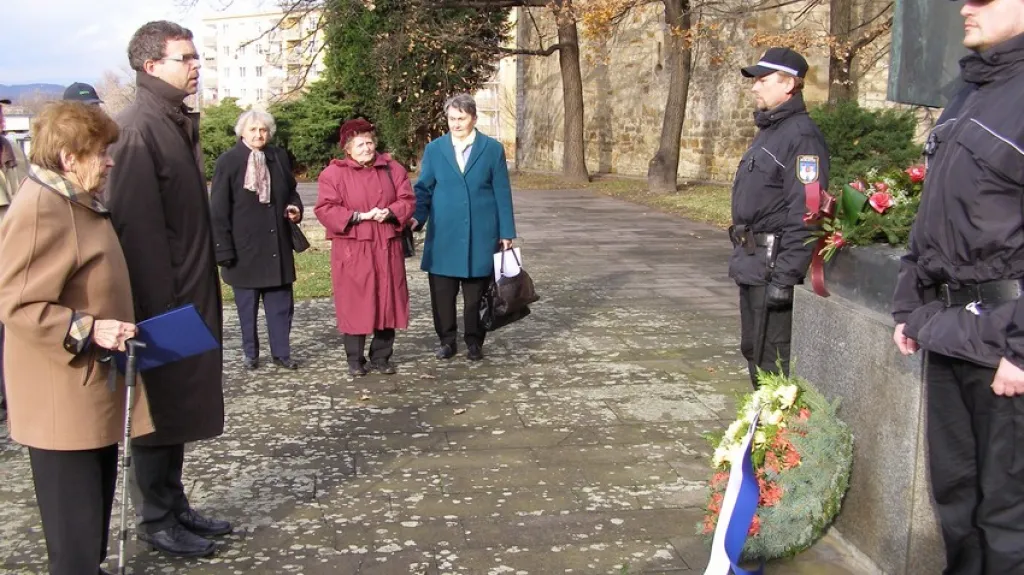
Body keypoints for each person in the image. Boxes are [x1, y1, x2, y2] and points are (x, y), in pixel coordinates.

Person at [891, 1, 1024, 572]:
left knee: (1009, 520)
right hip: (950, 333)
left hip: (1006, 346)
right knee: (956, 504)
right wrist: (909, 304)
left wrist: (1021, 350)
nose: (965, 8)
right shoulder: (970, 92)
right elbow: (934, 216)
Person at [0, 101, 155, 575]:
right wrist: (90, 328)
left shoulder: (72, 198)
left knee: (90, 524)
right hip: (59, 398)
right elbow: (17, 301)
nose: (109, 161)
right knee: (74, 533)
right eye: (101, 152)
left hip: (86, 389)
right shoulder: (42, 208)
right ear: (70, 157)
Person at [105, 20, 229, 558]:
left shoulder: (172, 119)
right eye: (186, 57)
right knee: (156, 409)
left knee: (179, 406)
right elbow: (135, 229)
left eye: (196, 55)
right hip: (163, 302)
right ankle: (155, 517)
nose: (196, 64)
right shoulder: (136, 128)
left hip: (188, 290)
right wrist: (160, 311)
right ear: (151, 65)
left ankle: (174, 504)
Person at [728, 47, 830, 387]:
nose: (755, 87)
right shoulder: (771, 130)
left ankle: (779, 438)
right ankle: (762, 435)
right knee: (754, 352)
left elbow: (807, 209)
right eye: (755, 80)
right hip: (753, 260)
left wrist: (785, 278)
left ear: (789, 85)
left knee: (772, 362)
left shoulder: (801, 136)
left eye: (763, 80)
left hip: (773, 266)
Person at [411, 94, 517, 361]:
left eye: (461, 118)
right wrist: (417, 217)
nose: (455, 124)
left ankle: (474, 341)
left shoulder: (492, 149)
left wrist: (507, 232)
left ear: (474, 118)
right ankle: (447, 341)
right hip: (444, 236)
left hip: (481, 234)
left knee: (475, 295)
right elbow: (424, 188)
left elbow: (502, 192)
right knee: (442, 295)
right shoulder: (435, 149)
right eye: (451, 118)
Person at [315, 119, 415, 376]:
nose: (366, 148)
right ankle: (355, 359)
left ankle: (382, 357)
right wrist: (359, 216)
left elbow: (407, 199)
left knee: (388, 300)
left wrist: (391, 212)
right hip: (354, 247)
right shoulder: (333, 174)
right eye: (360, 144)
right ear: (348, 149)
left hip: (386, 244)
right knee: (355, 302)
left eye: (369, 142)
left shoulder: (393, 168)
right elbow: (325, 208)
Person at [211, 110, 303, 370]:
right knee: (246, 309)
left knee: (281, 306)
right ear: (242, 132)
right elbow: (217, 210)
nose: (258, 134)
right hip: (243, 250)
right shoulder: (228, 162)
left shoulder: (279, 157)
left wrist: (295, 208)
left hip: (276, 246)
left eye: (263, 130)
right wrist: (223, 250)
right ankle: (250, 353)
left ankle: (282, 353)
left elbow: (292, 192)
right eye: (253, 130)